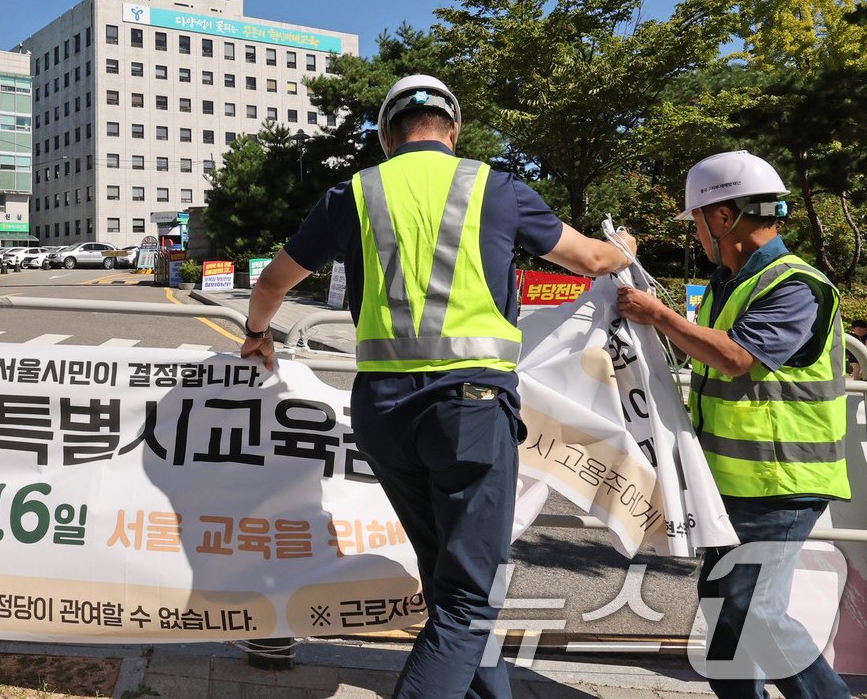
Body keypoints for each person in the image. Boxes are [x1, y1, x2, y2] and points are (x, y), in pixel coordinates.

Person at [241, 75, 635, 699]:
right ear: (453, 130)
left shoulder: (351, 194)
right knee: (468, 603)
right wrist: (621, 250)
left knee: (449, 582)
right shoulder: (496, 187)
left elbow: (271, 284)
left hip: (384, 415)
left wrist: (258, 333)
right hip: (469, 413)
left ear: (386, 136)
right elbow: (589, 260)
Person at [617, 151, 851, 699]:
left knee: (751, 609)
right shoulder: (731, 282)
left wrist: (659, 315)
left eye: (696, 220)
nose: (695, 233)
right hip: (736, 484)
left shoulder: (797, 284)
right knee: (726, 614)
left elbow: (738, 359)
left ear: (722, 217)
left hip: (781, 484)